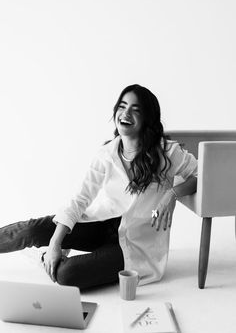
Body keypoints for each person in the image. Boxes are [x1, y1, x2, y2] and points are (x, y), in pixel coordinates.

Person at [0, 84, 197, 289]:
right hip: (101, 225)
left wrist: (172, 194)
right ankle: (52, 253)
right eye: (122, 106)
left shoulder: (167, 153)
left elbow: (201, 175)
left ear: (147, 118)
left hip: (133, 245)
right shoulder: (107, 154)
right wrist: (55, 243)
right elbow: (80, 199)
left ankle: (46, 259)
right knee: (32, 231)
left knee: (67, 274)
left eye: (136, 109)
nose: (126, 113)